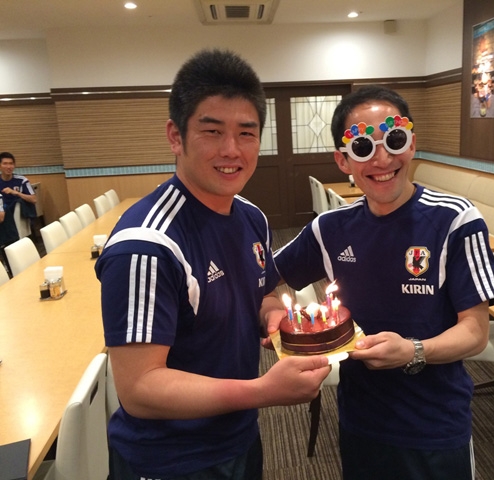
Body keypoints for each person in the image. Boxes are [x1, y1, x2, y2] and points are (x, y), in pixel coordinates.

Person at [95, 49, 330, 480]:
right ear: (176, 136)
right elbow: (139, 388)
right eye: (212, 131)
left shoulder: (251, 217)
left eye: (246, 133)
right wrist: (262, 391)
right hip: (169, 460)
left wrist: (273, 317)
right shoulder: (147, 244)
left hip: (238, 435)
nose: (231, 150)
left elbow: (262, 292)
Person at [273, 85, 494, 480]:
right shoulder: (329, 229)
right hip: (360, 420)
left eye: (394, 140)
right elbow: (263, 279)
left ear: (412, 144)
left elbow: (476, 333)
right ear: (343, 160)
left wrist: (414, 350)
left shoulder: (455, 220)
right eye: (363, 147)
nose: (382, 159)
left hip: (435, 424)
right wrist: (274, 316)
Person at [0, 152, 37, 246]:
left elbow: (33, 199)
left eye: (11, 164)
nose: (9, 167)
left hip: (14, 213)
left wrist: (16, 192)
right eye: (5, 164)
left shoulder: (21, 180)